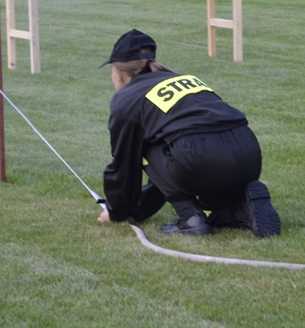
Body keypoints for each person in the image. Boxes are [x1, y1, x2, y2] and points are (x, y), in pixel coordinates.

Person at [96, 29, 281, 238]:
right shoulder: (185, 79)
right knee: (171, 144)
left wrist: (118, 211)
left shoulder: (127, 99)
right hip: (249, 156)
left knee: (146, 145)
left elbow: (124, 164)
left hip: (200, 160)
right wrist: (140, 209)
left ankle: (191, 219)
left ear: (118, 71)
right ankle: (240, 209)